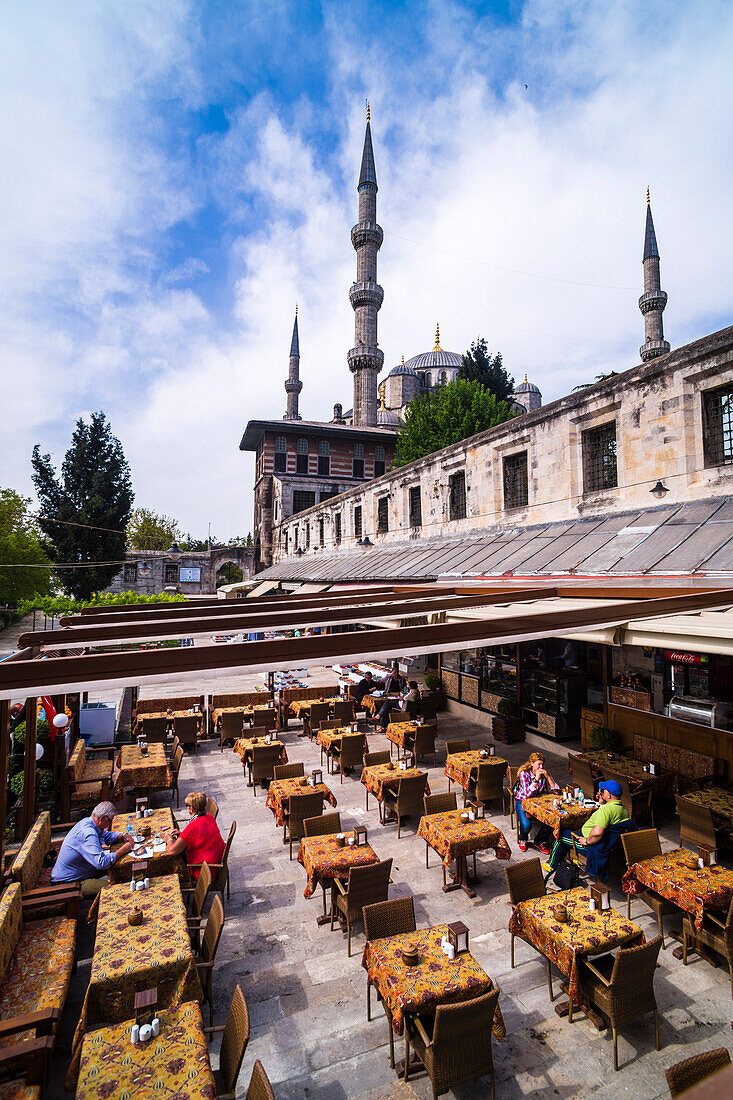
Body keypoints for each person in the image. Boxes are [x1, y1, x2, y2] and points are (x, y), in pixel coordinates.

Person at [51, 800, 134, 897]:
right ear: (102, 818)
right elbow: (101, 863)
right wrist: (123, 850)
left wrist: (122, 835)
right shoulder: (88, 833)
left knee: (124, 868)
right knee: (119, 887)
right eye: (110, 821)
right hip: (69, 882)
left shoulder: (89, 822)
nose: (109, 825)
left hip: (86, 870)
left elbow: (105, 835)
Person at [546, 779, 630, 871]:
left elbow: (597, 833)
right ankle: (565, 862)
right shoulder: (624, 811)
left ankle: (551, 865)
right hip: (609, 847)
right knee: (569, 833)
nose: (602, 792)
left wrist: (586, 841)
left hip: (592, 847)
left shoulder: (606, 810)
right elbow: (610, 824)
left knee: (561, 835)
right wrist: (602, 804)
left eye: (604, 791)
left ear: (609, 795)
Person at [166, 791, 225, 880]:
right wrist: (182, 834)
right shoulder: (209, 817)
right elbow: (200, 836)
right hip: (215, 862)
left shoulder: (193, 826)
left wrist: (169, 839)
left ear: (191, 809)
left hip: (204, 871)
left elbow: (171, 851)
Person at [514, 753, 561, 854]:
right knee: (526, 825)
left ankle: (539, 841)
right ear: (532, 764)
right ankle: (523, 839)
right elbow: (527, 794)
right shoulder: (524, 774)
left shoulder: (545, 774)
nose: (541, 767)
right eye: (539, 764)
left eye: (542, 764)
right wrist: (536, 778)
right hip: (522, 801)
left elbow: (557, 791)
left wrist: (548, 777)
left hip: (538, 803)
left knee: (553, 820)